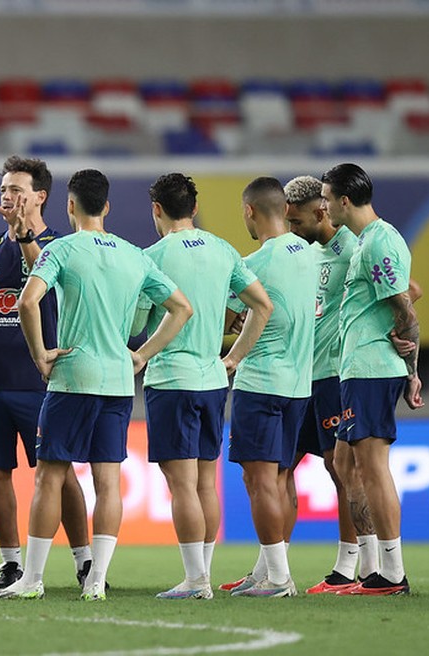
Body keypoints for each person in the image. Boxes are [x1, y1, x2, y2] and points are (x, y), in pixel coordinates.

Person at [0, 169, 192, 601]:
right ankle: (96, 580)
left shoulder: (62, 248)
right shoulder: (135, 255)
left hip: (71, 377)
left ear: (69, 205)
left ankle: (32, 579)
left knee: (50, 477)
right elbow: (181, 308)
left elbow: (28, 301)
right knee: (108, 481)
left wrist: (40, 354)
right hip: (118, 381)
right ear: (107, 207)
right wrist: (142, 354)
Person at [0, 156, 91, 590]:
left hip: (39, 382)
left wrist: (24, 234)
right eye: (3, 191)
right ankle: (11, 562)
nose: (7, 197)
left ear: (40, 197)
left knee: (59, 472)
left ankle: (84, 560)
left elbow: (40, 271)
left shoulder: (60, 246)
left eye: (16, 190)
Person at [134, 173, 272, 600]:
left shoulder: (151, 256)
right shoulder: (223, 248)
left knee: (181, 486)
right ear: (193, 208)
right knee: (205, 483)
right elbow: (261, 305)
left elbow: (138, 324)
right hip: (213, 379)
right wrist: (233, 357)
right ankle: (202, 577)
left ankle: (196, 582)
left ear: (157, 210)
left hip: (171, 378)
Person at [322, 162, 423, 595]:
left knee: (372, 467)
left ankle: (392, 573)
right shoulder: (367, 242)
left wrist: (412, 369)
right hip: (356, 368)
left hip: (371, 369)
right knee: (346, 463)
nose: (324, 206)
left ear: (344, 201)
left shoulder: (380, 242)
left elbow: (405, 306)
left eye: (327, 199)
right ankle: (369, 567)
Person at [224, 177, 318, 599]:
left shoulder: (255, 263)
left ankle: (279, 579)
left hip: (260, 381)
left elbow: (226, 317)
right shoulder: (311, 254)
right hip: (299, 385)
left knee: (260, 482)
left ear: (250, 211)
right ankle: (266, 571)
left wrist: (229, 356)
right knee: (279, 480)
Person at [281, 175, 373, 594]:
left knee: (342, 471)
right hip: (300, 375)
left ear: (322, 211)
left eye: (297, 221)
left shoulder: (353, 248)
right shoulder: (305, 253)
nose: (291, 229)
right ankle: (273, 567)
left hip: (334, 375)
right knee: (280, 468)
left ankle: (349, 564)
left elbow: (406, 289)